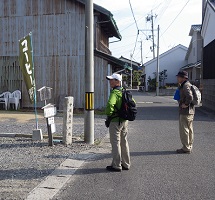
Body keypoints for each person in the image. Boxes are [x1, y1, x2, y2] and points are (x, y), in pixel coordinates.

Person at [105, 73, 131, 172]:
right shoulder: (124, 91)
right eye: (110, 80)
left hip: (115, 121)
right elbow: (133, 103)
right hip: (125, 121)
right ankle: (126, 164)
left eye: (113, 80)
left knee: (115, 142)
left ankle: (116, 165)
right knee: (124, 142)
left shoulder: (114, 93)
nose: (110, 82)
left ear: (118, 81)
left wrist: (109, 113)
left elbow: (110, 104)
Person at [176, 71, 195, 154]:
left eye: (179, 77)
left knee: (184, 130)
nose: (177, 78)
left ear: (184, 78)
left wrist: (186, 104)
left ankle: (186, 147)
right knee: (190, 129)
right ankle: (189, 146)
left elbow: (190, 96)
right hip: (191, 111)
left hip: (185, 111)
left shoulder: (185, 85)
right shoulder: (188, 84)